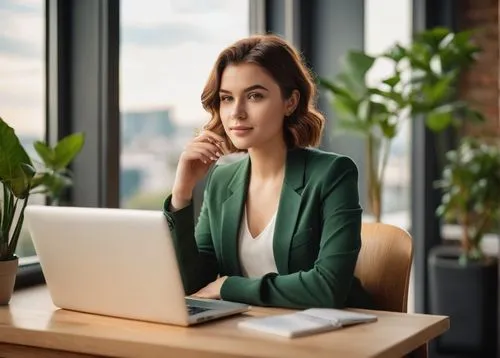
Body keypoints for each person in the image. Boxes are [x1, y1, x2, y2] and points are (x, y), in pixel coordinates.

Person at [163, 34, 373, 310]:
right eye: (227, 98)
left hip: (327, 336)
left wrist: (229, 286)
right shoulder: (222, 180)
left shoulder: (333, 174)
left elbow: (327, 287)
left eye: (254, 96)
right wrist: (182, 193)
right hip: (245, 332)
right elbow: (194, 286)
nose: (236, 112)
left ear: (290, 102)